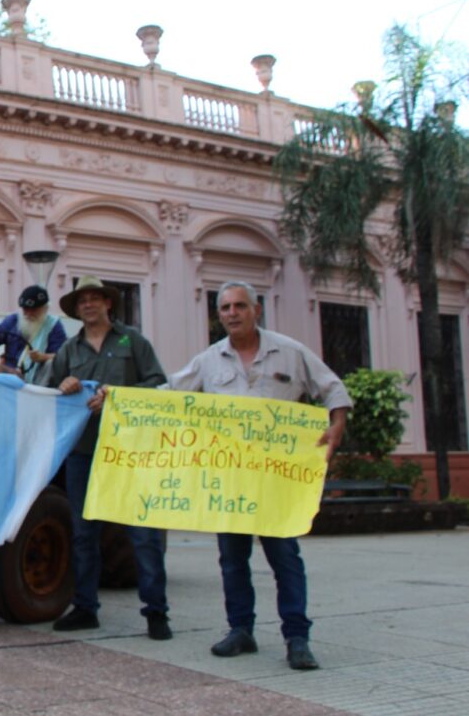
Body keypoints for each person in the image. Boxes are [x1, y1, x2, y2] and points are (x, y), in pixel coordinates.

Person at [167, 281, 350, 671]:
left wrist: (336, 427)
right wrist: (114, 398)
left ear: (256, 310)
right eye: (224, 309)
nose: (231, 313)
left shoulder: (290, 351)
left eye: (239, 306)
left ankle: (297, 638)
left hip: (277, 480)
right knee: (232, 560)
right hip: (230, 480)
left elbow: (333, 389)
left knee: (285, 559)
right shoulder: (209, 360)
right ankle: (240, 631)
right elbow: (167, 393)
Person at [47, 276, 171, 640]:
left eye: (94, 299)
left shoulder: (133, 341)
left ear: (108, 303)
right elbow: (51, 394)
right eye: (82, 300)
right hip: (83, 452)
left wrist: (117, 395)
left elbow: (157, 385)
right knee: (84, 534)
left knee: (143, 534)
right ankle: (85, 607)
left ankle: (156, 613)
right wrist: (64, 386)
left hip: (128, 452)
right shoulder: (70, 350)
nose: (88, 305)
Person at [0, 284, 67, 384]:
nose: (28, 314)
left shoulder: (54, 326)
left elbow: (63, 357)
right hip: (9, 375)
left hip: (38, 380)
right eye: (25, 309)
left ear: (45, 308)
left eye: (33, 310)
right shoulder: (13, 320)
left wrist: (42, 357)